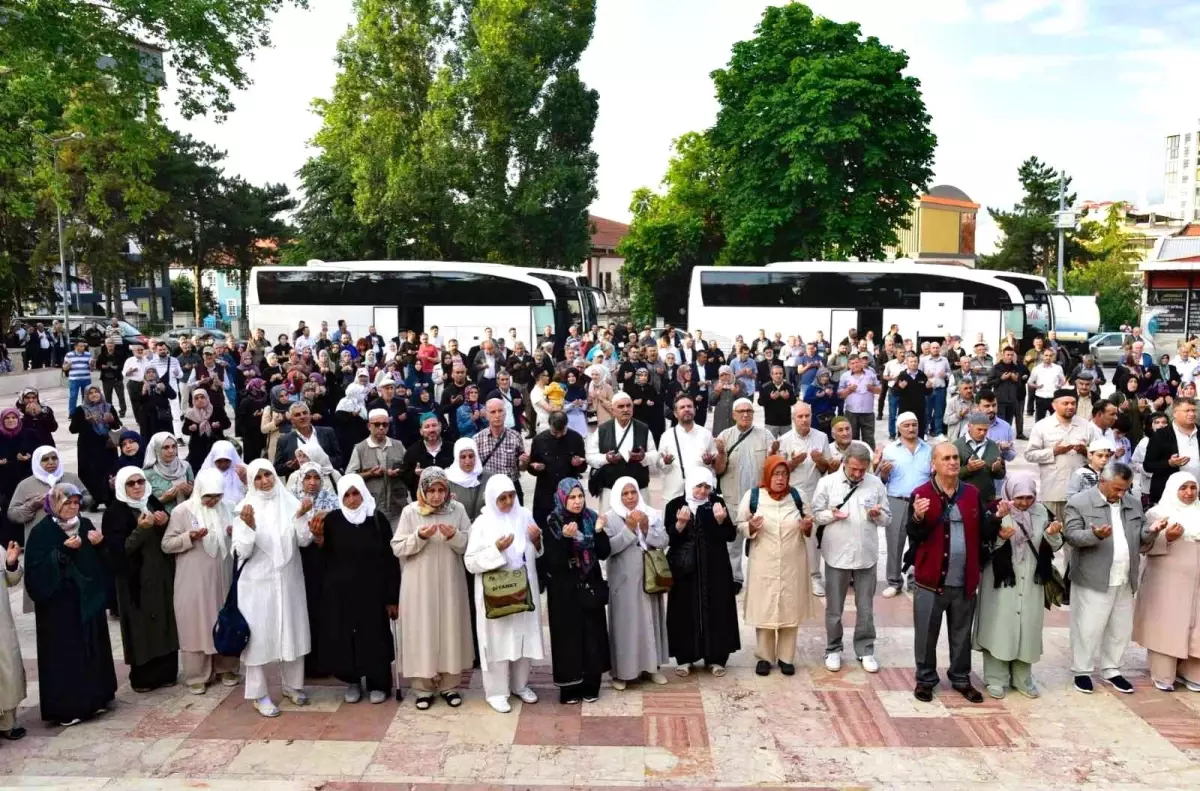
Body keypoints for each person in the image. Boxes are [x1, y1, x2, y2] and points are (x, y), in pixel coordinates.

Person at [907, 442, 1002, 704]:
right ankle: (925, 679)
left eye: (955, 458)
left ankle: (961, 678)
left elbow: (984, 532)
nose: (952, 462)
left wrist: (995, 520)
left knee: (961, 634)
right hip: (929, 581)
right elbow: (913, 536)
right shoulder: (921, 493)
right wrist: (917, 517)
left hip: (964, 580)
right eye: (946, 458)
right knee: (926, 634)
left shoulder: (971, 493)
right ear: (933, 464)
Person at [1064, 462, 1162, 695]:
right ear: (1102, 482)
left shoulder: (1132, 503)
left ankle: (1112, 669)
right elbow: (1072, 536)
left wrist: (1153, 531)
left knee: (1120, 627)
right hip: (1093, 576)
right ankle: (1082, 671)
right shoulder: (1079, 502)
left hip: (1125, 575)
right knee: (1087, 626)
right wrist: (1094, 535)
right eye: (1117, 488)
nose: (1121, 494)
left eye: (1125, 489)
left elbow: (1140, 538)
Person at [23, 484, 117, 725]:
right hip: (59, 609)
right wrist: (60, 553)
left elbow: (102, 560)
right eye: (67, 503)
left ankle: (96, 699)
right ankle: (68, 708)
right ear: (54, 504)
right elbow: (35, 571)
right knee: (66, 655)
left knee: (91, 649)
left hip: (87, 601)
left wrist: (99, 544)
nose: (72, 507)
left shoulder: (84, 525)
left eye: (75, 502)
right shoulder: (42, 532)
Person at [232, 459, 316, 718]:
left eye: (268, 475)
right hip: (257, 585)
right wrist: (248, 527)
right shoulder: (244, 509)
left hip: (288, 580)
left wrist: (302, 517)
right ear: (251, 481)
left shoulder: (290, 502)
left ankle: (292, 685)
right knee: (258, 639)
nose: (264, 481)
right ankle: (259, 694)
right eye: (258, 477)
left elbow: (304, 540)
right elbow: (241, 551)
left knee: (291, 631)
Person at [973, 472, 1063, 699]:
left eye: (1029, 498)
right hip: (1001, 580)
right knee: (999, 628)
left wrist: (1052, 535)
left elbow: (1053, 546)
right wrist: (1000, 533)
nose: (1024, 503)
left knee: (1027, 629)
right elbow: (981, 546)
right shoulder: (997, 509)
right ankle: (995, 679)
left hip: (1032, 579)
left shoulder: (1042, 512)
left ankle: (1023, 679)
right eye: (1019, 498)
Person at [312, 475, 398, 705]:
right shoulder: (333, 521)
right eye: (346, 495)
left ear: (362, 492)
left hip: (373, 593)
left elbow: (390, 560)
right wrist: (319, 539)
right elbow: (324, 559)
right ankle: (352, 681)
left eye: (355, 493)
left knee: (375, 637)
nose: (352, 500)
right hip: (342, 593)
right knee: (346, 637)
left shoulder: (377, 519)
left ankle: (378, 683)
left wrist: (392, 598)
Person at [392, 467, 474, 707]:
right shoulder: (411, 512)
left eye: (441, 490)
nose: (437, 496)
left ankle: (449, 685)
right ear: (422, 491)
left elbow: (468, 543)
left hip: (450, 581)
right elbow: (397, 547)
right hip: (419, 584)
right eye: (431, 490)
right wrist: (419, 536)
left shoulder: (457, 510)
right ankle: (423, 688)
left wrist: (454, 536)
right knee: (422, 630)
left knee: (450, 628)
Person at [464, 474, 545, 713]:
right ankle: (497, 691)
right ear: (492, 499)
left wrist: (537, 540)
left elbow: (537, 552)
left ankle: (520, 685)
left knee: (523, 637)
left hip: (523, 589)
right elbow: (471, 562)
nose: (509, 502)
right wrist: (496, 550)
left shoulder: (524, 515)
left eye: (511, 496)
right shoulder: (482, 524)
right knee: (497, 640)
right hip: (496, 592)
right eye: (502, 498)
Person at [737, 456, 818, 677]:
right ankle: (764, 657)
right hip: (764, 562)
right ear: (767, 475)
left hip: (793, 562)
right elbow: (740, 524)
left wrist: (807, 527)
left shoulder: (797, 496)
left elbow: (810, 523)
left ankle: (786, 657)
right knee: (764, 607)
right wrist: (750, 527)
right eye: (776, 474)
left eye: (784, 474)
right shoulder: (753, 496)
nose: (780, 479)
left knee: (789, 607)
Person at [161, 469, 240, 694]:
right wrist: (190, 537)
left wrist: (236, 531)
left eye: (218, 496)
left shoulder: (228, 508)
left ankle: (227, 668)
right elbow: (166, 544)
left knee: (224, 620)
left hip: (222, 578)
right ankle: (197, 675)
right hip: (194, 582)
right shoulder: (182, 511)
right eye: (209, 496)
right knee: (197, 623)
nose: (213, 501)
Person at [812, 442, 888, 673]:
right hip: (837, 553)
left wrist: (877, 515)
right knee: (834, 608)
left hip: (866, 554)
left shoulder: (875, 484)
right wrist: (831, 514)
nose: (858, 474)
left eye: (862, 470)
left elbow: (888, 518)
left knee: (865, 607)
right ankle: (833, 648)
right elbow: (815, 514)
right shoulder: (827, 483)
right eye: (854, 469)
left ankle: (865, 649)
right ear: (844, 463)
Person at [103, 466, 178, 692]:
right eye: (131, 483)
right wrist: (142, 529)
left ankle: (167, 672)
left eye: (140, 482)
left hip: (161, 576)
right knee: (141, 628)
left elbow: (169, 537)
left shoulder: (153, 502)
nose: (137, 487)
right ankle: (144, 677)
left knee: (165, 622)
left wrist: (165, 522)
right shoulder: (115, 513)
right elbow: (117, 552)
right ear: (121, 486)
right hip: (134, 582)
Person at [664, 469, 739, 677]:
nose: (703, 491)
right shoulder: (675, 505)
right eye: (699, 486)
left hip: (714, 569)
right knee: (683, 610)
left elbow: (731, 536)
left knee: (717, 608)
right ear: (690, 485)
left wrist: (722, 520)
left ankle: (716, 658)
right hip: (685, 570)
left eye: (707, 487)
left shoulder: (716, 504)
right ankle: (685, 658)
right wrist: (679, 525)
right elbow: (667, 538)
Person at [543, 478, 612, 703]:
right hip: (564, 590)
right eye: (572, 497)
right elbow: (554, 561)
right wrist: (565, 539)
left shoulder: (591, 518)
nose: (577, 501)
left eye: (580, 496)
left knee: (593, 636)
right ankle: (569, 687)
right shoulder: (554, 520)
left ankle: (592, 685)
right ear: (563, 497)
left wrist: (600, 533)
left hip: (589, 584)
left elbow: (603, 553)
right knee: (568, 637)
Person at [1134, 471, 1200, 690]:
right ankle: (1163, 674)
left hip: (1197, 583)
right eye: (1183, 488)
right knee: (1168, 625)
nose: (1189, 493)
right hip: (1166, 581)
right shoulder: (1158, 514)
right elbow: (1143, 545)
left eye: (1193, 487)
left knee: (1196, 626)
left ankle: (1191, 671)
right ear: (1172, 490)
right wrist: (1167, 537)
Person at [603, 477, 669, 689]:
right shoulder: (609, 518)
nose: (630, 497)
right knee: (626, 625)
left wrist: (647, 528)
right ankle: (622, 672)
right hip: (624, 581)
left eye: (633, 492)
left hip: (649, 578)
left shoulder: (649, 512)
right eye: (625, 493)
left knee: (649, 622)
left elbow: (664, 541)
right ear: (617, 496)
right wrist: (630, 529)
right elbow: (607, 550)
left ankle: (651, 667)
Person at [714, 398, 777, 591]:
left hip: (758, 499)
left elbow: (773, 466)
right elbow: (718, 470)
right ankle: (735, 578)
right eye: (741, 411)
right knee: (733, 542)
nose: (745, 414)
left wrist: (774, 455)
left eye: (749, 411)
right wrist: (721, 453)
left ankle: (763, 578)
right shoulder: (724, 436)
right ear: (733, 415)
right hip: (733, 498)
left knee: (762, 540)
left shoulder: (765, 435)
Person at [1025, 389, 1100, 523]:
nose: (1070, 407)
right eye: (1065, 403)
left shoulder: (1087, 426)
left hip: (1082, 490)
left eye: (1073, 403)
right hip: (1054, 490)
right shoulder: (1042, 426)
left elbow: (1101, 455)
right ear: (1054, 405)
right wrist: (1053, 451)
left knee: (1080, 528)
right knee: (1055, 532)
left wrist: (1085, 451)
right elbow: (1030, 455)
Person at [878, 413, 932, 597]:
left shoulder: (928, 449)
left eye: (914, 424)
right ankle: (894, 581)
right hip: (897, 500)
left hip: (921, 501)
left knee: (919, 542)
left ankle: (916, 579)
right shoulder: (890, 450)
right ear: (899, 428)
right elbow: (882, 479)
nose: (911, 429)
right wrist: (884, 473)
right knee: (895, 542)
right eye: (907, 425)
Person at [585, 391, 659, 514]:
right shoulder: (602, 430)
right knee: (610, 528)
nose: (625, 409)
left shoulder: (643, 428)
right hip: (610, 487)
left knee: (640, 526)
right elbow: (590, 456)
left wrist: (643, 457)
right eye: (620, 406)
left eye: (628, 406)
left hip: (638, 488)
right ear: (613, 410)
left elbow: (654, 454)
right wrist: (606, 459)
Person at [68, 385, 120, 507]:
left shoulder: (108, 407)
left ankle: (109, 498)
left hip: (107, 447)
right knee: (91, 474)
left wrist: (111, 421)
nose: (93, 395)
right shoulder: (80, 410)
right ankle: (94, 500)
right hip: (88, 449)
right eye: (90, 393)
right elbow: (73, 429)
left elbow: (117, 426)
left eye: (96, 392)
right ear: (86, 396)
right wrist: (86, 422)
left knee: (109, 472)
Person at [1144, 397, 1199, 505]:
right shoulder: (1160, 435)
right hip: (1170, 496)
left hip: (1197, 495)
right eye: (1187, 411)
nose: (1192, 414)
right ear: (1174, 413)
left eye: (1193, 410)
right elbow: (1148, 465)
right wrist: (1169, 463)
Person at [272, 402, 342, 479]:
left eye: (305, 413)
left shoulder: (327, 432)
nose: (302, 417)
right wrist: (290, 467)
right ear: (292, 420)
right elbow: (277, 469)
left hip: (326, 482)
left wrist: (319, 462)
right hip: (299, 486)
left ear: (310, 415)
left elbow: (339, 459)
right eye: (297, 415)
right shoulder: (284, 440)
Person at [954, 412, 1006, 501]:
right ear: (969, 426)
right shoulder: (957, 446)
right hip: (963, 498)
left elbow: (1001, 475)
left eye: (985, 430)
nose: (982, 433)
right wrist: (968, 469)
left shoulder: (993, 446)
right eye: (979, 429)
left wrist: (997, 470)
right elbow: (949, 475)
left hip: (987, 498)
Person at [402, 412, 454, 498]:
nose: (431, 430)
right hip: (421, 505)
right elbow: (405, 480)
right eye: (427, 427)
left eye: (434, 425)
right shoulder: (412, 452)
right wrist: (415, 475)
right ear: (421, 431)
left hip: (448, 502)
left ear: (440, 426)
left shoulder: (452, 449)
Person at [144, 433, 194, 515]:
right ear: (156, 449)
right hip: (163, 520)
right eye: (166, 447)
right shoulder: (147, 474)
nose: (171, 451)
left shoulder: (185, 466)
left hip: (188, 515)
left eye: (174, 446)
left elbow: (196, 495)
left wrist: (190, 492)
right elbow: (146, 505)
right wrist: (163, 499)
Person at [837, 355, 881, 445]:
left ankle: (870, 458)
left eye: (857, 362)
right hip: (851, 412)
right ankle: (853, 458)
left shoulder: (871, 374)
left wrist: (872, 388)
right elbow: (840, 395)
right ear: (848, 365)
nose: (855, 365)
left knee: (869, 439)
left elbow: (879, 390)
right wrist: (849, 390)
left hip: (868, 412)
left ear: (861, 363)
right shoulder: (845, 376)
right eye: (852, 363)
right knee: (852, 439)